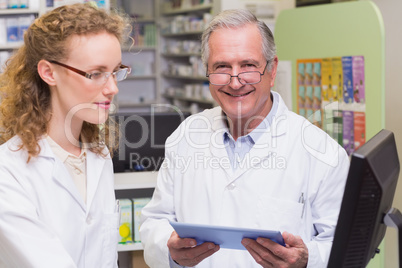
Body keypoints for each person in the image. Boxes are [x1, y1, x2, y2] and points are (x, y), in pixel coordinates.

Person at [140, 9, 349, 268]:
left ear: (272, 70)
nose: (235, 82)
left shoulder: (322, 152)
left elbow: (344, 249)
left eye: (248, 66)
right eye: (222, 67)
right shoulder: (186, 136)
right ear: (208, 73)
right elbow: (154, 222)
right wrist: (169, 249)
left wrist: (308, 261)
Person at [0, 3, 131, 267]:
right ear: (49, 72)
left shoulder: (97, 155)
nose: (112, 88)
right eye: (95, 74)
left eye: (115, 71)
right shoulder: (8, 171)